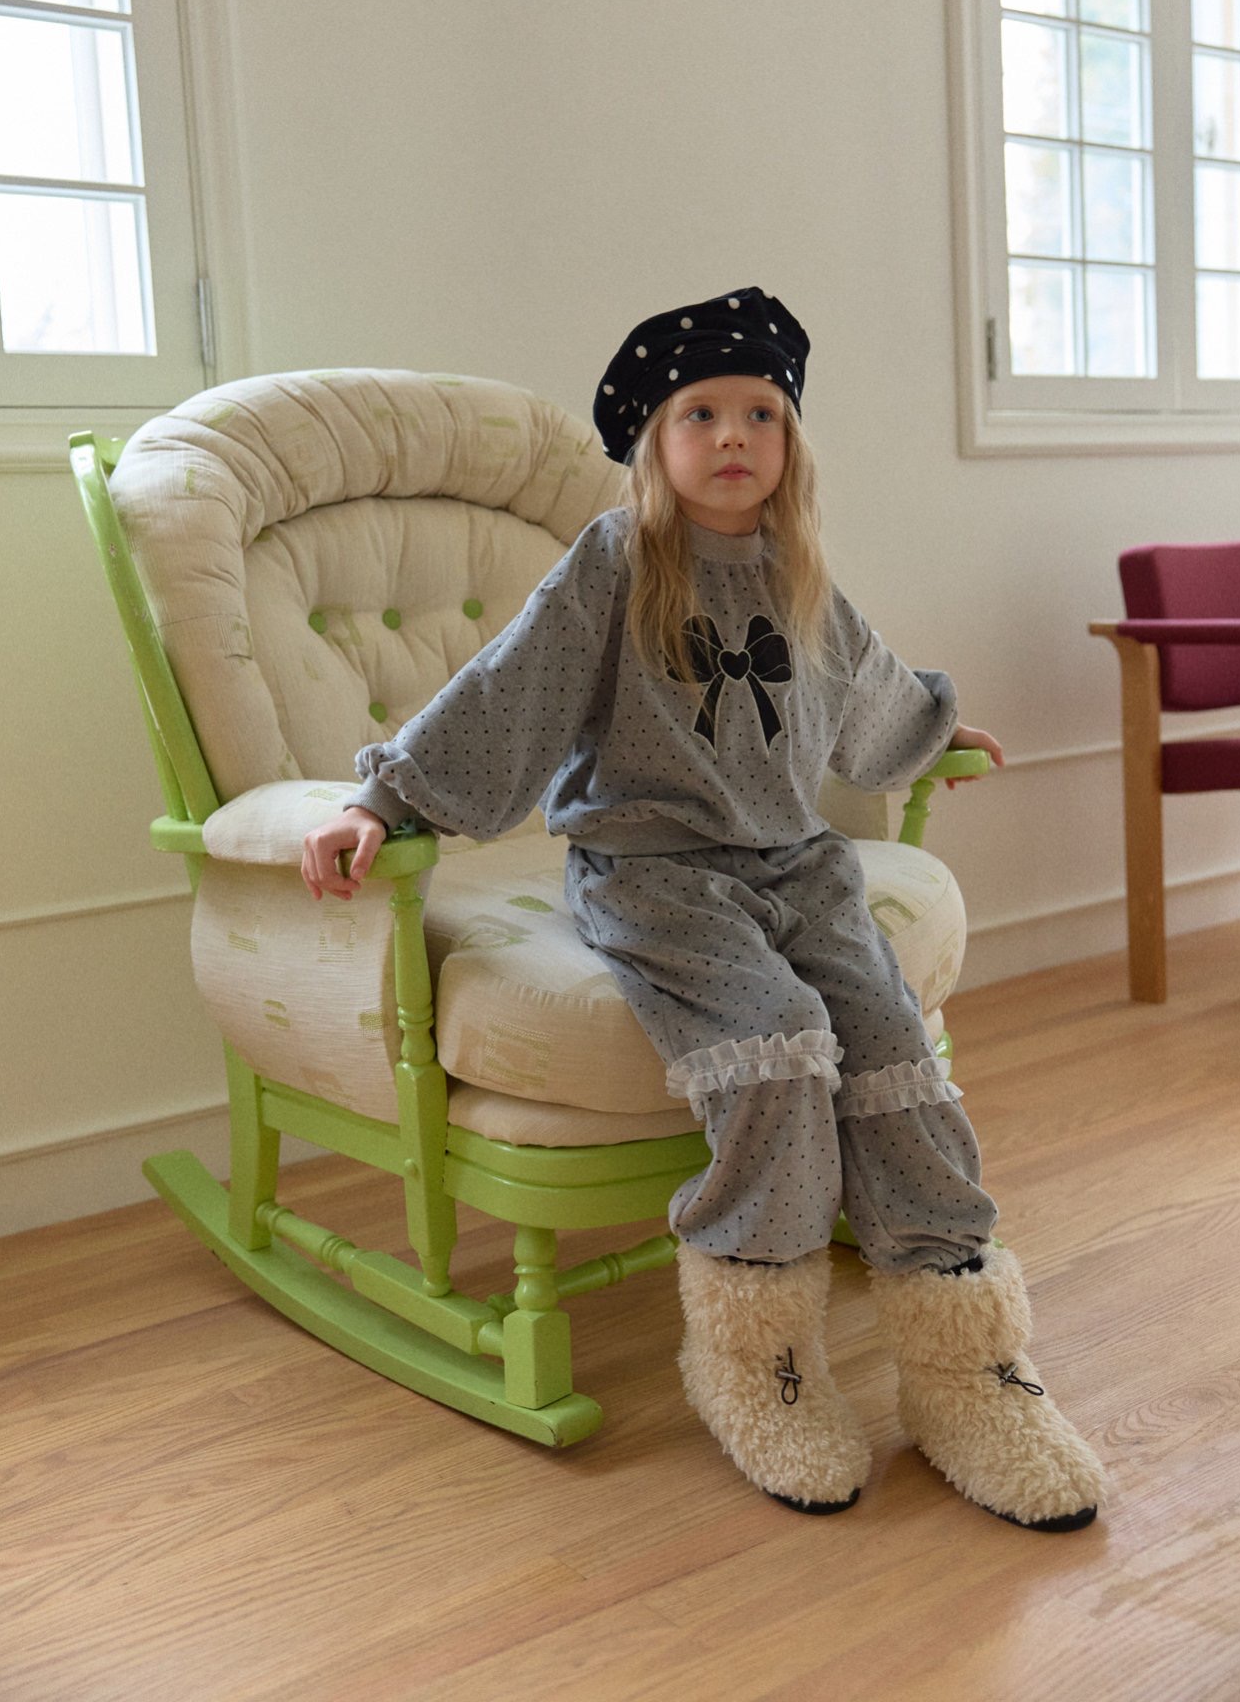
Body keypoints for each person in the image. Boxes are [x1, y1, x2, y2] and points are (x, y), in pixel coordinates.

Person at [300, 286, 1108, 1530]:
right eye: (699, 413)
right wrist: (384, 800)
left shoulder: (798, 573)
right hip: (653, 873)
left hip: (799, 868)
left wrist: (928, 731)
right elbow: (507, 689)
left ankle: (966, 1365)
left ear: (789, 442)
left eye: (759, 413)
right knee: (775, 1051)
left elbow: (866, 687)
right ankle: (756, 1357)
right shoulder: (616, 562)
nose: (732, 434)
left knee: (892, 1057)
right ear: (654, 440)